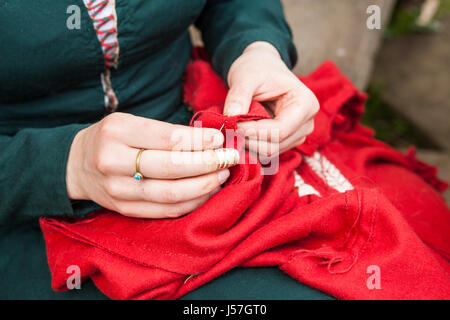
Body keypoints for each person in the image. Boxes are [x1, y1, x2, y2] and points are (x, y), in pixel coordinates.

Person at [0, 0, 329, 299]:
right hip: (28, 208)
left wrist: (256, 46)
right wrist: (67, 164)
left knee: (332, 269)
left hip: (193, 120)